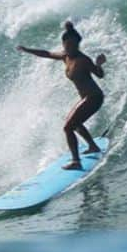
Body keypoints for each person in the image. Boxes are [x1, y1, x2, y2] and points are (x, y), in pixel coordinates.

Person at [17, 20, 107, 169]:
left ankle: (76, 162)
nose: (71, 47)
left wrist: (98, 63)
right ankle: (93, 146)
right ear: (64, 44)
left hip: (94, 97)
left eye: (74, 45)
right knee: (74, 123)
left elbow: (100, 75)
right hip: (86, 98)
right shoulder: (65, 57)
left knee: (68, 127)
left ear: (78, 44)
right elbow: (46, 53)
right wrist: (27, 50)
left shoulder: (82, 59)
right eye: (68, 45)